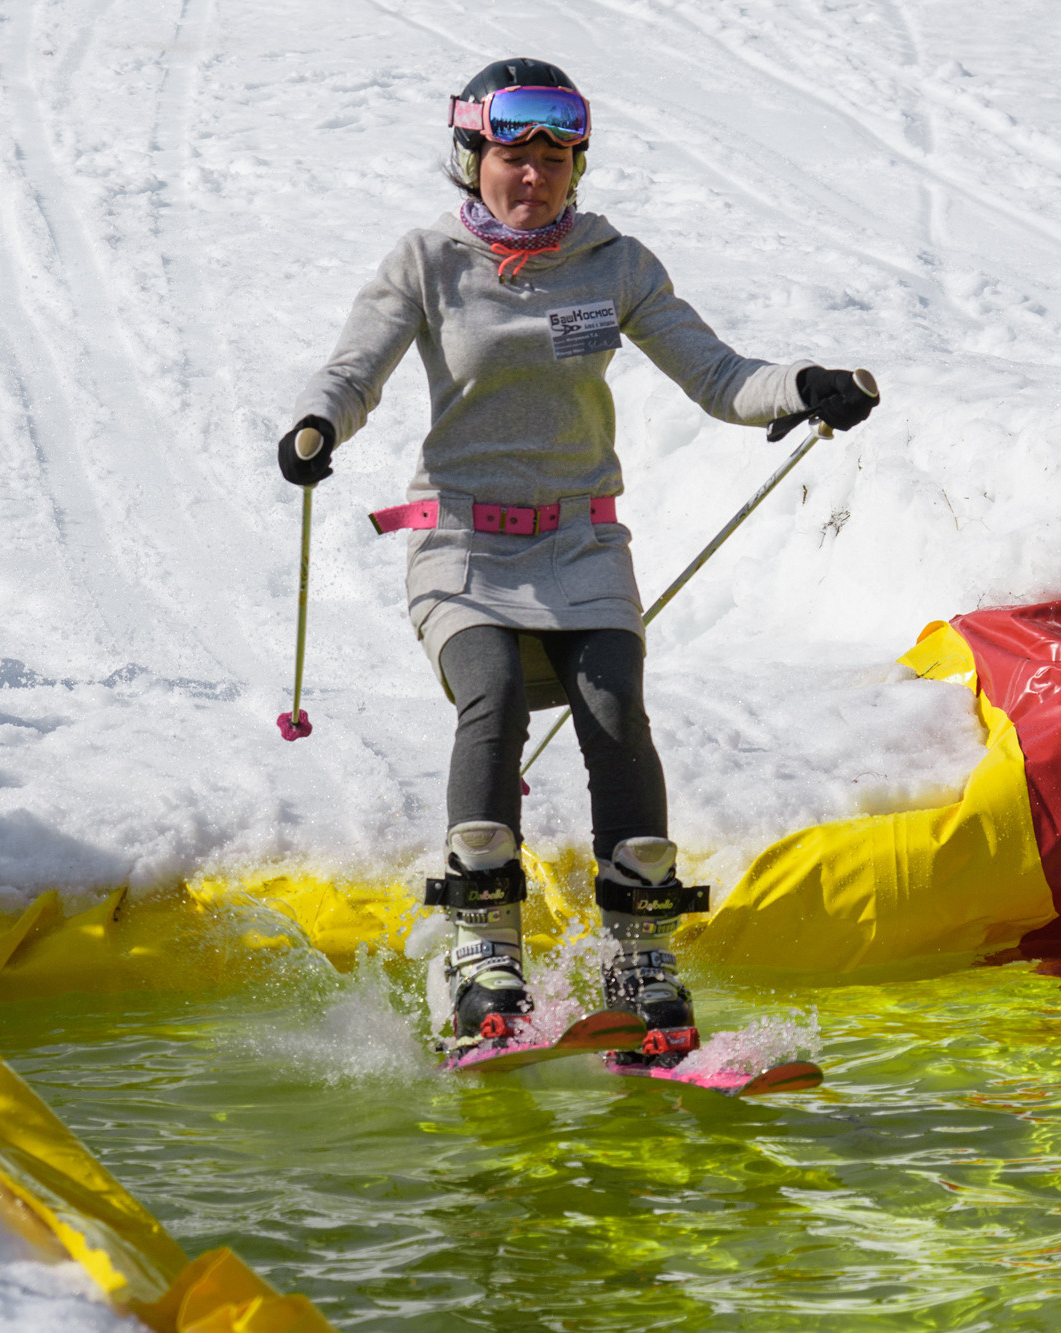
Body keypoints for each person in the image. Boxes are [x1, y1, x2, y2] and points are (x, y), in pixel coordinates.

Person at [279, 57, 878, 1061]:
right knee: (493, 698)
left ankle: (636, 961)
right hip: (463, 540)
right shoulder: (424, 261)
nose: (535, 176)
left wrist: (804, 384)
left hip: (582, 540)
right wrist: (314, 424)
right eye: (513, 155)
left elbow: (721, 376)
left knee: (614, 708)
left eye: (555, 156)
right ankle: (480, 954)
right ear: (471, 159)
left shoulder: (614, 263)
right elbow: (352, 369)